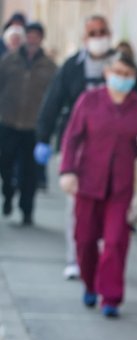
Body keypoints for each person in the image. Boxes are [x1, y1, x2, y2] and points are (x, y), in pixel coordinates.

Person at [35, 15, 137, 280]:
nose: (99, 37)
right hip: (82, 155)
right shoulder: (73, 68)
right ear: (85, 38)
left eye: (103, 32)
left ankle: (109, 270)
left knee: (115, 228)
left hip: (121, 162)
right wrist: (43, 137)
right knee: (78, 215)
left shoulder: (127, 67)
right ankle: (77, 259)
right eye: (93, 33)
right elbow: (54, 100)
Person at [58, 52, 137, 318]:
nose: (121, 79)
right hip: (89, 181)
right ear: (106, 73)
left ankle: (111, 296)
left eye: (127, 75)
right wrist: (67, 171)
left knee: (115, 241)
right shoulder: (89, 101)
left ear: (134, 78)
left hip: (123, 187)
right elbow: (72, 138)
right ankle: (90, 283)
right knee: (86, 238)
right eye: (117, 72)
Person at [0, 22, 57, 225]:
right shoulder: (9, 61)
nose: (32, 39)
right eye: (29, 35)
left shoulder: (49, 67)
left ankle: (27, 210)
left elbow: (54, 98)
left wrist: (50, 127)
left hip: (33, 126)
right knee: (4, 163)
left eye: (36, 35)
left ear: (41, 38)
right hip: (8, 121)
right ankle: (7, 193)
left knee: (29, 171)